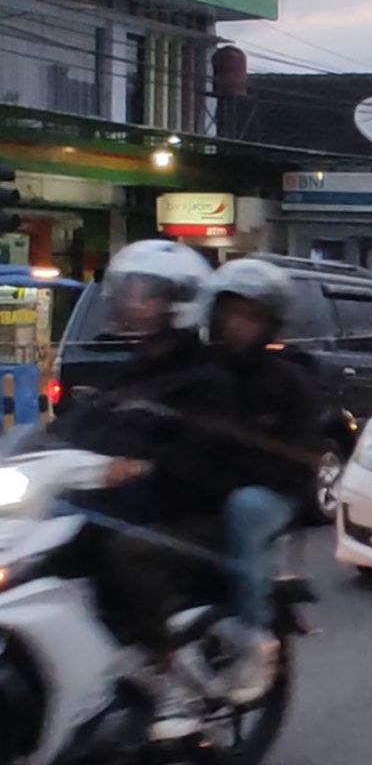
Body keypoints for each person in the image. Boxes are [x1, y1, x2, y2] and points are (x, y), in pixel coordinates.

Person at [48, 239, 229, 740]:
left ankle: (169, 675)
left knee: (125, 553)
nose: (132, 303)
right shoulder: (135, 364)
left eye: (145, 294)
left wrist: (142, 468)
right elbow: (87, 422)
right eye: (128, 292)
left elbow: (203, 454)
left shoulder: (206, 376)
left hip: (189, 512)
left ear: (179, 303)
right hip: (125, 503)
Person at [202, 258, 322, 705]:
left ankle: (253, 636)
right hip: (208, 481)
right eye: (232, 313)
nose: (239, 326)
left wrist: (239, 474)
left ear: (270, 322)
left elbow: (299, 455)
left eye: (250, 316)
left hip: (273, 493)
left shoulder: (289, 380)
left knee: (244, 510)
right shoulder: (202, 370)